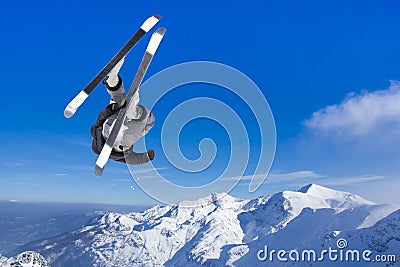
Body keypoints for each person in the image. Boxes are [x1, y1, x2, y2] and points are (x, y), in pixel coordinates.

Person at [90, 58, 155, 164]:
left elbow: (101, 117)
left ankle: (112, 80)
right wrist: (146, 157)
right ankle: (131, 110)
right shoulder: (101, 135)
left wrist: (113, 108)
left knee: (119, 101)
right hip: (122, 138)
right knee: (119, 100)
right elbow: (133, 160)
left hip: (123, 138)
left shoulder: (97, 134)